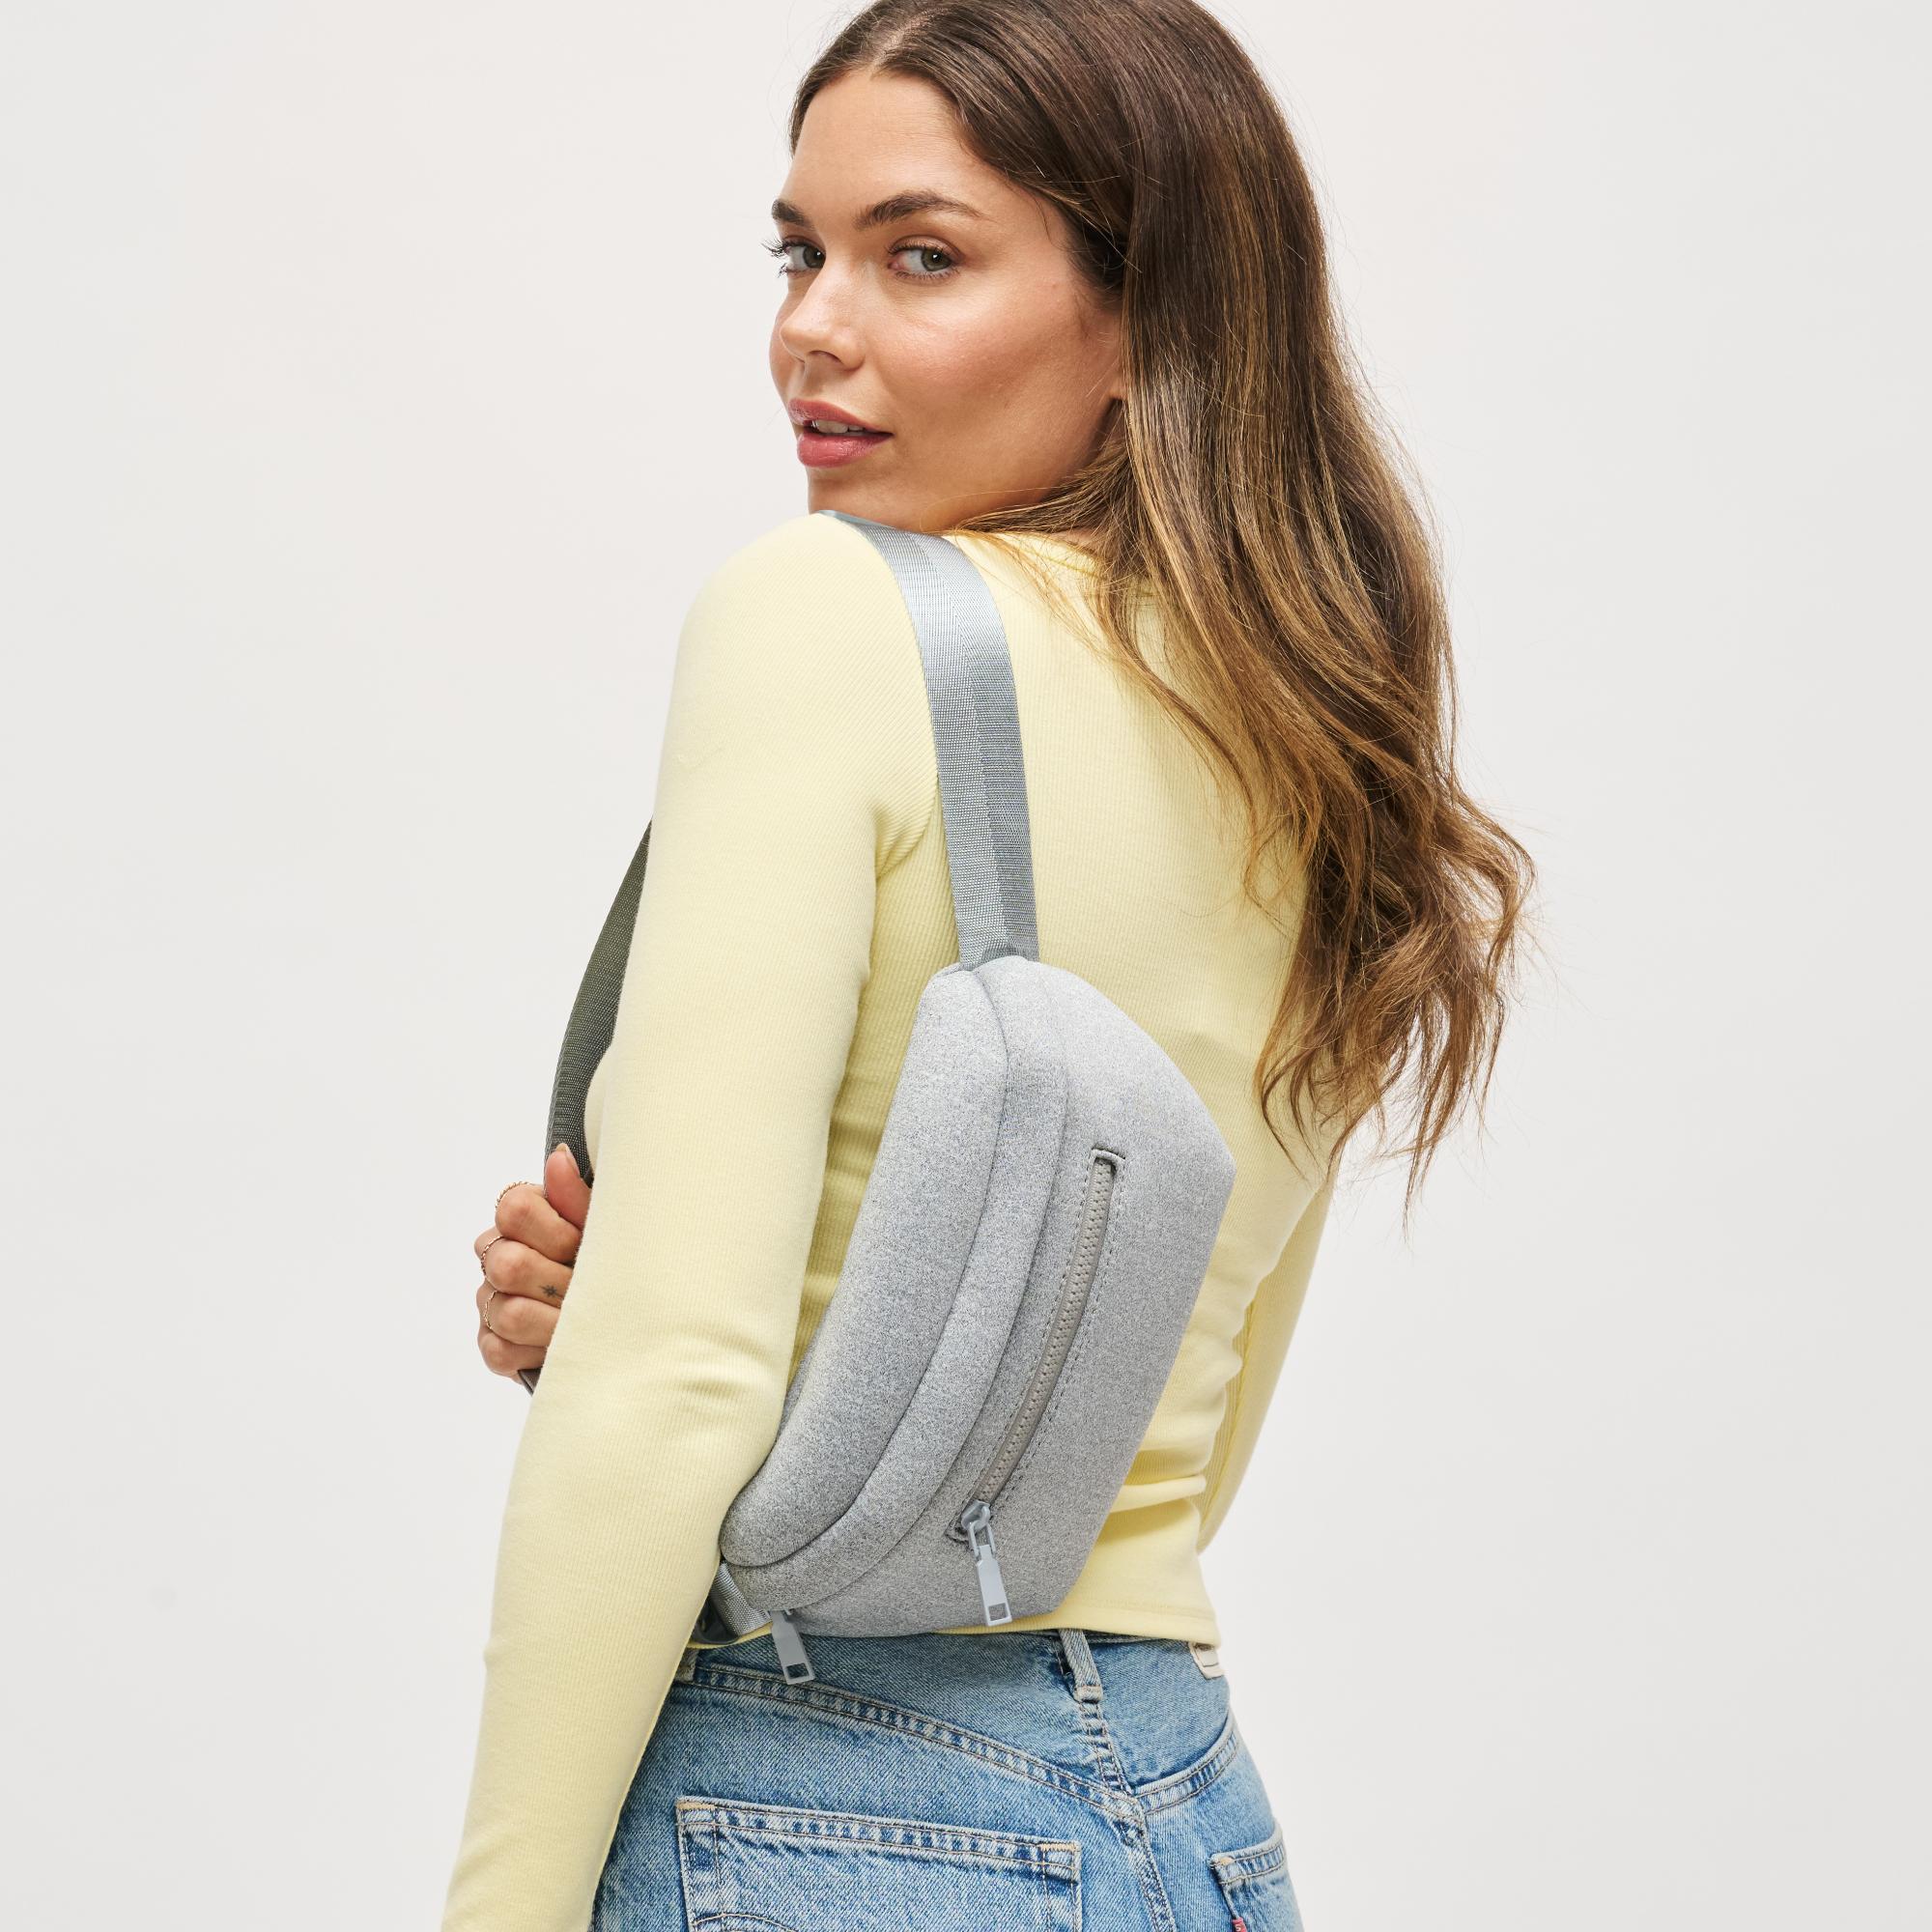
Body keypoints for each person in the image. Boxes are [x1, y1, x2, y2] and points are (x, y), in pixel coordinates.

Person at [442, 2, 1536, 1926]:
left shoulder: (820, 617)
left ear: (1148, 319)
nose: (813, 328)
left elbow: (674, 1384)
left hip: (814, 1805)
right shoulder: (1313, 734)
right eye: (800, 249)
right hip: (1183, 1820)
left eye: (922, 257)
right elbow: (1148, 1449)